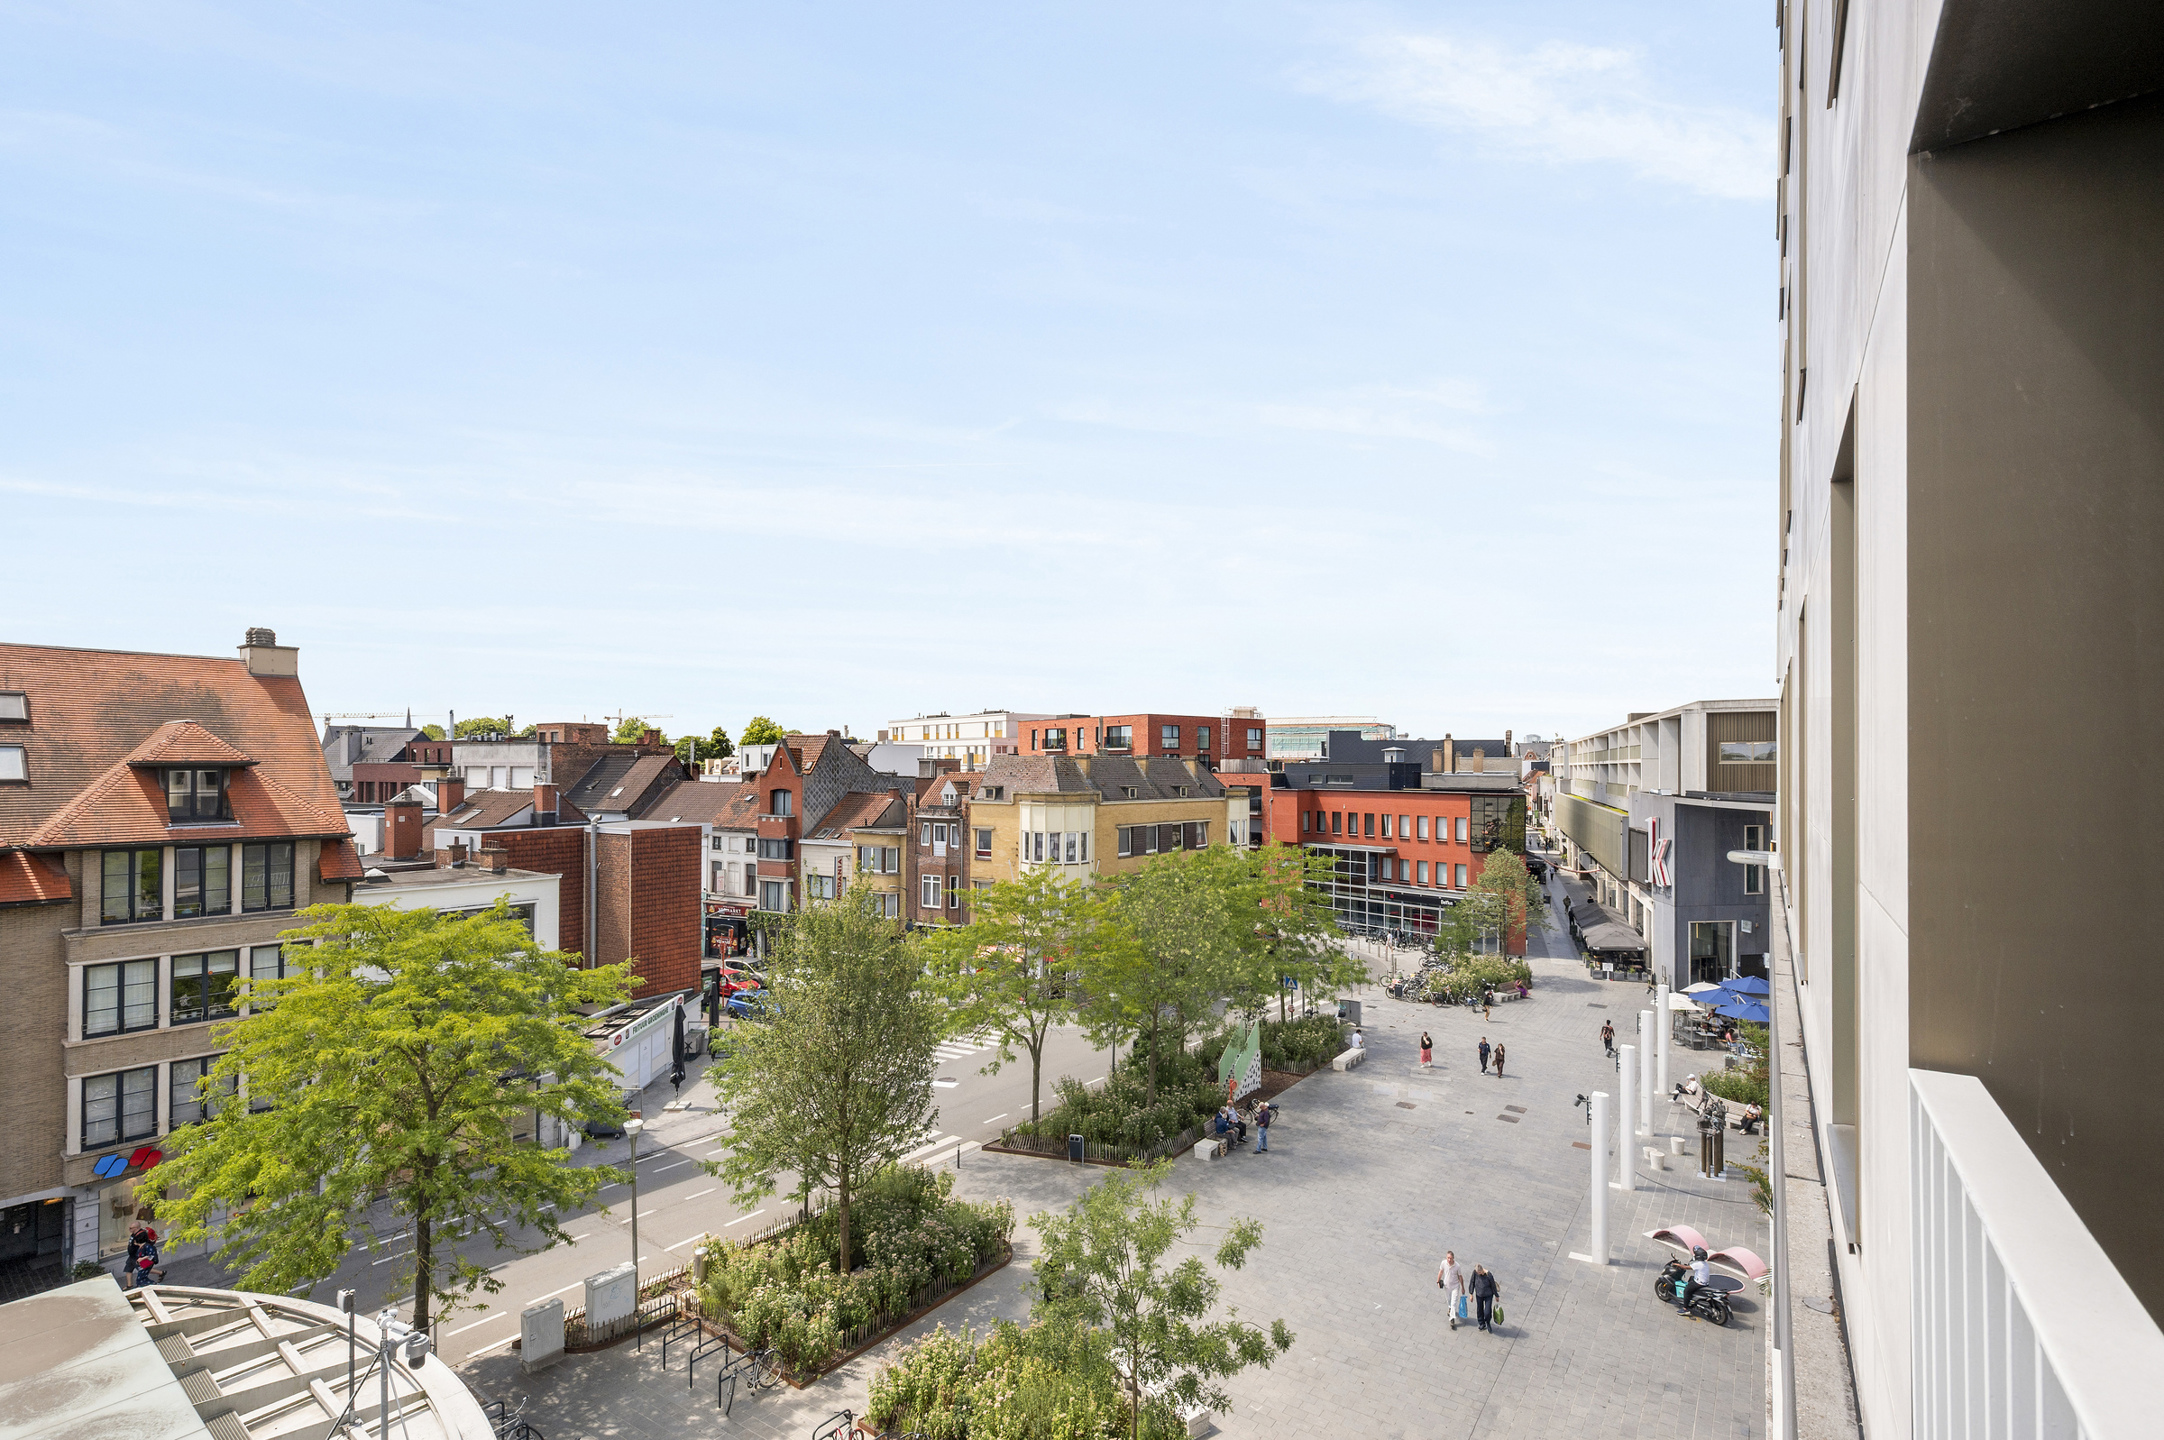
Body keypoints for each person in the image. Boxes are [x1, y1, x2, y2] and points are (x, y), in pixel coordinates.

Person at [1437, 1250, 1469, 1330]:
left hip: (1455, 1286)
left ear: (1453, 1258)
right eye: (1448, 1258)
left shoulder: (1457, 1266)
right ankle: (1450, 1308)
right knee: (1448, 1300)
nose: (1449, 1260)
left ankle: (1452, 1319)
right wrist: (1438, 1281)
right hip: (1447, 1286)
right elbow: (1441, 1272)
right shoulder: (1443, 1263)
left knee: (1453, 1302)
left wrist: (1462, 1287)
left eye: (1450, 1258)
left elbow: (1460, 1277)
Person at [1678, 1246, 1713, 1313]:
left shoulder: (1698, 1264)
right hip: (1705, 1282)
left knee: (1687, 1291)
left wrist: (1677, 1265)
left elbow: (1686, 1267)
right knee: (1691, 1278)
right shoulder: (1705, 1264)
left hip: (1699, 1283)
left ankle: (1685, 1308)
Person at [1469, 1264, 1500, 1332]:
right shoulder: (1475, 1273)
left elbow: (1493, 1286)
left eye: (1479, 1272)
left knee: (1487, 1311)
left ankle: (1488, 1322)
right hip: (1479, 1294)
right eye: (1477, 1273)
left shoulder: (1489, 1275)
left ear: (1482, 1270)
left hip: (1488, 1295)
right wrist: (1471, 1294)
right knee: (1479, 1309)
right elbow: (1472, 1282)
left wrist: (1496, 1295)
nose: (1478, 1274)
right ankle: (1481, 1323)